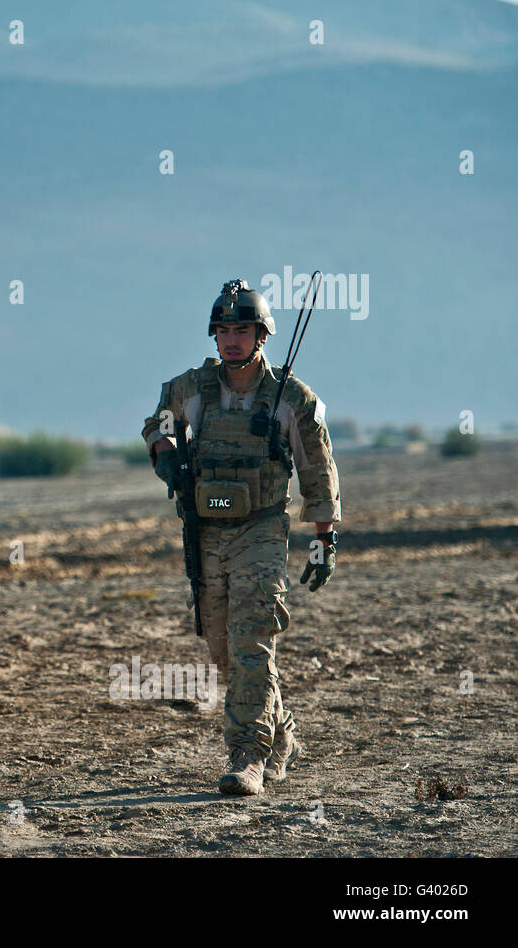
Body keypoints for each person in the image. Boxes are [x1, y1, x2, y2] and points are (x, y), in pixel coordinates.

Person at [140, 279, 341, 795]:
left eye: (242, 329)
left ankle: (247, 755)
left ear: (262, 335)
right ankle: (282, 735)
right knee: (222, 647)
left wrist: (323, 537)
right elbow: (158, 425)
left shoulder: (290, 397)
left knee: (253, 640)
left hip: (262, 530)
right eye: (224, 330)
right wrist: (166, 456)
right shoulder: (191, 388)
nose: (232, 339)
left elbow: (317, 470)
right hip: (206, 531)